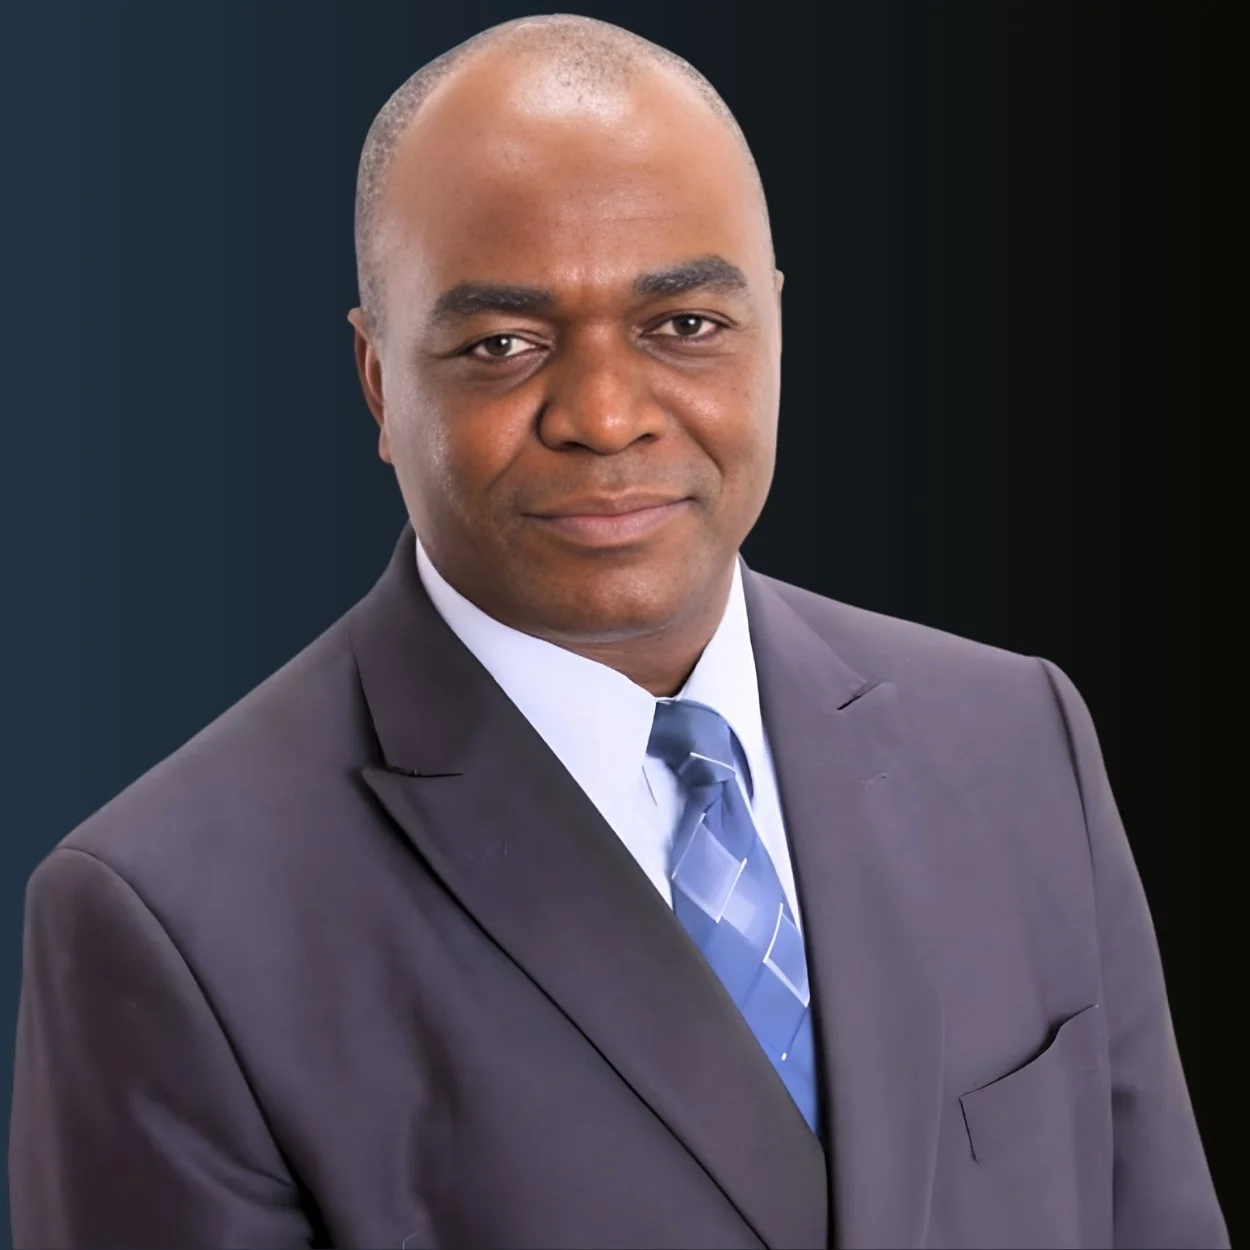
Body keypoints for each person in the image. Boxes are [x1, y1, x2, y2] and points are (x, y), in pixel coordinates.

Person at [7, 14, 1226, 1249]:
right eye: (503, 344)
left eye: (683, 324)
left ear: (776, 328)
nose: (602, 414)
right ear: (380, 383)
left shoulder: (1017, 739)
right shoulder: (169, 924)